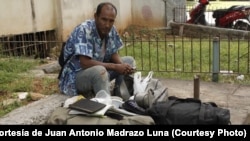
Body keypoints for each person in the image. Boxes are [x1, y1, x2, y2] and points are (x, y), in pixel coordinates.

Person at [58, 2, 136, 99]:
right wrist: (115, 67)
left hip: (97, 72)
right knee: (100, 71)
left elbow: (112, 52)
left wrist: (122, 67)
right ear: (96, 16)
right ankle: (106, 105)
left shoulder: (111, 30)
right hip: (75, 77)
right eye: (104, 19)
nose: (107, 25)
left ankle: (121, 96)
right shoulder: (84, 30)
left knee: (129, 61)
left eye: (111, 21)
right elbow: (85, 63)